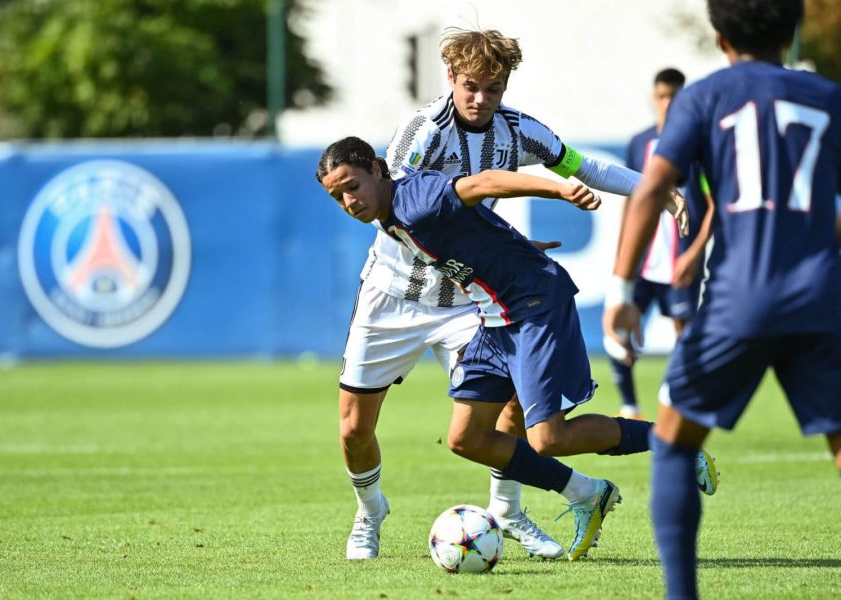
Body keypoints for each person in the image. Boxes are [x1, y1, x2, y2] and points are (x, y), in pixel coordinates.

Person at [337, 27, 692, 561]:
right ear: (452, 78)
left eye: (494, 88)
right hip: (394, 292)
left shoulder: (518, 130)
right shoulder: (421, 133)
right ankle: (370, 512)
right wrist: (509, 241)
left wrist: (654, 188)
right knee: (353, 428)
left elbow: (582, 166)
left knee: (509, 410)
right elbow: (405, 215)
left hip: (467, 293)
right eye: (472, 87)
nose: (481, 99)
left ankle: (507, 512)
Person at [603, 0, 841, 597]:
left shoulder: (704, 98)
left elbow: (654, 186)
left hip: (738, 301)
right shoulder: (829, 99)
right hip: (821, 298)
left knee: (675, 441)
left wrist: (623, 290)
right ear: (792, 31)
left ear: (718, 36)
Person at [608, 68, 716, 420]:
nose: (668, 103)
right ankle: (630, 405)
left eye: (675, 96)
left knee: (684, 335)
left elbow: (713, 201)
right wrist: (622, 255)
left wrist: (697, 251)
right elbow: (632, 197)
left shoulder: (699, 146)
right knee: (619, 327)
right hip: (642, 262)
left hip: (679, 261)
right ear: (653, 98)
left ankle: (674, 401)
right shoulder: (640, 143)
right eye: (662, 95)